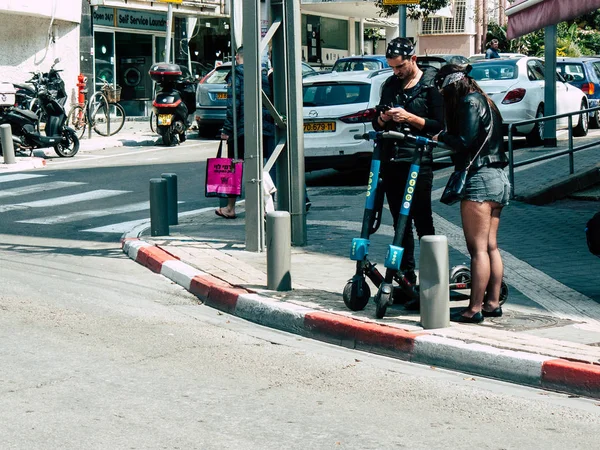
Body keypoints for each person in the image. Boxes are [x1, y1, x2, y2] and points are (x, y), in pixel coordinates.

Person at [433, 64, 510, 323]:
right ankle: (491, 303)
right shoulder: (486, 100)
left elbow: (464, 141)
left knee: (477, 250)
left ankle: (474, 308)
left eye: (444, 92)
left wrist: (442, 136)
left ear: (452, 87)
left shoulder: (469, 102)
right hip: (499, 178)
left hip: (480, 179)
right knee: (491, 246)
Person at [372, 37, 444, 300]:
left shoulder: (430, 86)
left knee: (422, 219)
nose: (396, 72)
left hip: (418, 160)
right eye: (392, 67)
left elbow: (438, 125)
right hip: (393, 159)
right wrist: (383, 118)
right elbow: (376, 123)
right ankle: (406, 278)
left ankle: (431, 278)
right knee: (400, 222)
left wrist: (410, 118)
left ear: (413, 59)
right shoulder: (390, 85)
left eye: (399, 66)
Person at [216, 46, 275, 219]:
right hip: (264, 128)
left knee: (234, 167)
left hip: (242, 128)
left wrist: (227, 129)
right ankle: (267, 206)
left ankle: (230, 207)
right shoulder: (263, 75)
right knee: (260, 167)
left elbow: (233, 105)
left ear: (237, 57)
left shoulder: (237, 74)